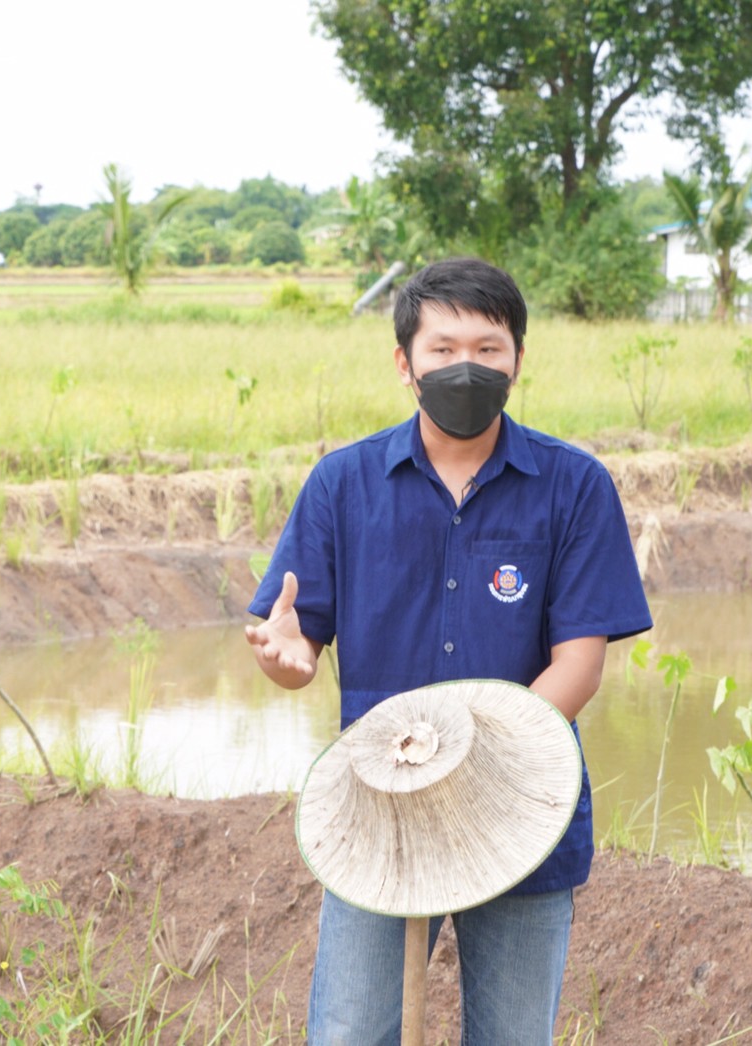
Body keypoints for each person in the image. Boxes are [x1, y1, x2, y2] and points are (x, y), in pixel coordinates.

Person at [245, 257, 652, 1043]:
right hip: (379, 812)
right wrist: (284, 656)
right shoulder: (342, 485)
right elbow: (296, 638)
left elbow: (580, 662)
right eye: (442, 348)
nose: (465, 367)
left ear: (518, 360)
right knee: (350, 1034)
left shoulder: (574, 487)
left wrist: (474, 758)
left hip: (523, 809)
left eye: (488, 349)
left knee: (510, 1036)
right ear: (405, 363)